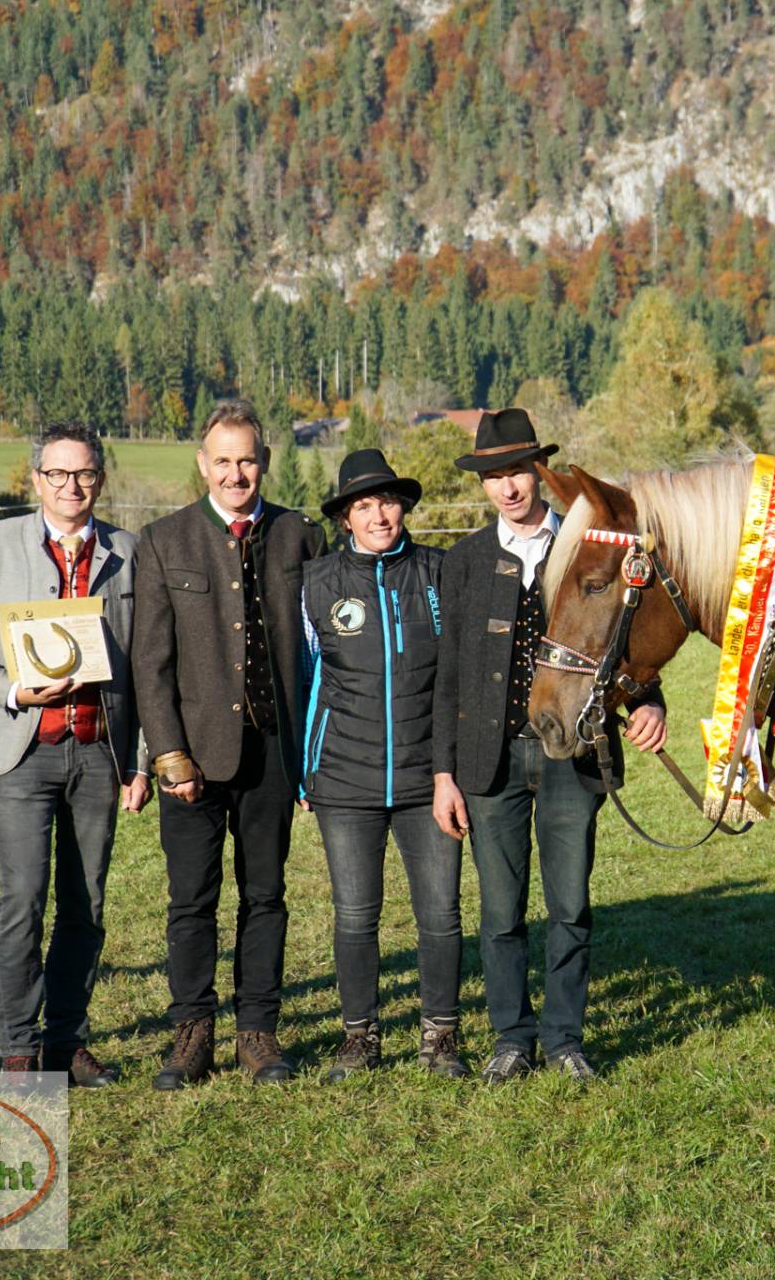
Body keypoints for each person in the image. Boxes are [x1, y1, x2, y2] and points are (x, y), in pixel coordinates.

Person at [431, 408, 667, 1084]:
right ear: (483, 484)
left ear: (540, 472)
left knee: (570, 904)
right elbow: (446, 672)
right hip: (491, 759)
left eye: (518, 472)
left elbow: (635, 637)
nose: (508, 487)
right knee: (501, 911)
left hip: (574, 755)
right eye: (494, 476)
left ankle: (565, 1039)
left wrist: (649, 699)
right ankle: (512, 1035)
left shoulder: (591, 546)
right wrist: (444, 773)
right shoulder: (467, 561)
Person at [133, 399, 327, 1088]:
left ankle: (258, 1031)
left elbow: (321, 648)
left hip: (274, 749)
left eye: (247, 459)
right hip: (192, 754)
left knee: (266, 895)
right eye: (223, 460)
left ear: (264, 462)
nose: (236, 472)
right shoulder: (164, 540)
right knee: (191, 900)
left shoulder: (302, 535)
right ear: (202, 464)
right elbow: (148, 662)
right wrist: (167, 753)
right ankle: (192, 1034)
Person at [0, 422, 150, 1084]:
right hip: (23, 750)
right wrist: (9, 688)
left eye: (85, 473)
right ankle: (16, 1047)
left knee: (86, 903)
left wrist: (143, 758)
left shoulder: (129, 550)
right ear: (35, 478)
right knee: (22, 899)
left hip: (99, 752)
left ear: (100, 477)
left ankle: (66, 1040)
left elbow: (150, 664)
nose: (73, 485)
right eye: (59, 473)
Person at [300, 449, 468, 1081]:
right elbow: (308, 680)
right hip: (345, 778)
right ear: (346, 517)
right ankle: (360, 1037)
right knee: (354, 914)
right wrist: (307, 769)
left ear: (404, 508)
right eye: (363, 505)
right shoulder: (317, 584)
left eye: (388, 501)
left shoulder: (440, 573)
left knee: (441, 913)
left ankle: (440, 1038)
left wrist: (453, 769)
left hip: (432, 779)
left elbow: (460, 678)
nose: (378, 514)